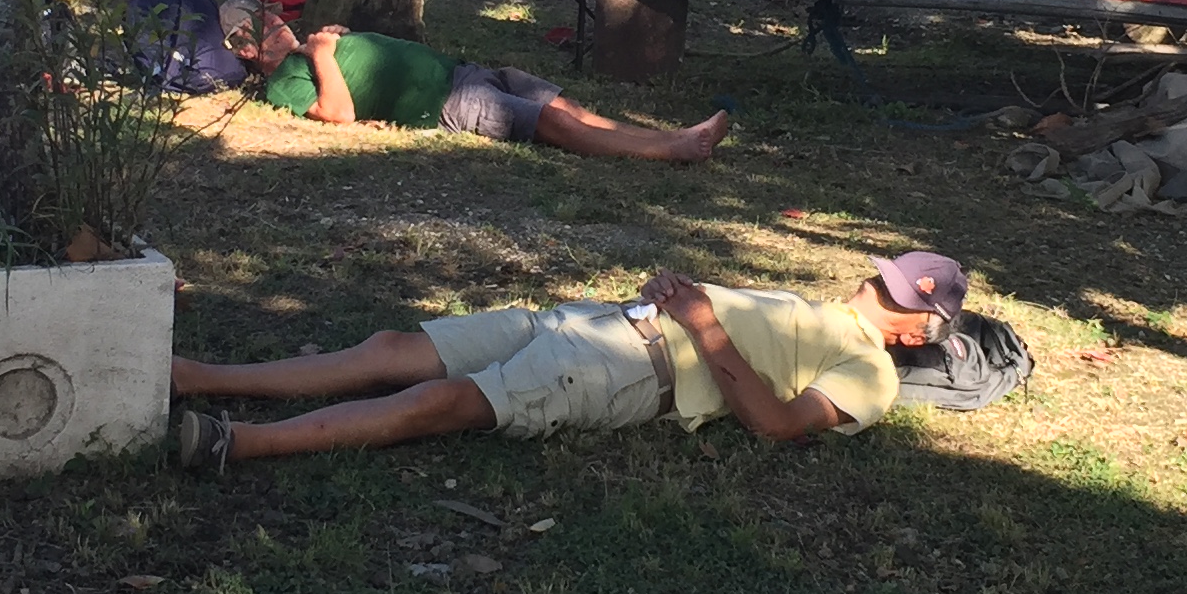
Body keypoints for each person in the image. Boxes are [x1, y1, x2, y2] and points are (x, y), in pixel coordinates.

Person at [165, 252, 967, 473]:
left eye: (895, 299)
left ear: (914, 334)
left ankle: (239, 442)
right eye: (883, 278)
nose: (875, 291)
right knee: (391, 351)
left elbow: (778, 425)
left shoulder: (872, 374)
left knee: (447, 402)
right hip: (595, 321)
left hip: (631, 371)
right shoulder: (819, 310)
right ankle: (198, 375)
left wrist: (703, 324)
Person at [223, 2, 729, 164]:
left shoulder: (312, 44)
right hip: (447, 101)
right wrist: (325, 55)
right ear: (247, 50)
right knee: (550, 122)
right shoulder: (283, 83)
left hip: (462, 71)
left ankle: (673, 137)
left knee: (569, 108)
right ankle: (673, 151)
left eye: (272, 12)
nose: (278, 20)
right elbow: (338, 113)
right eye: (264, 22)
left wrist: (335, 41)